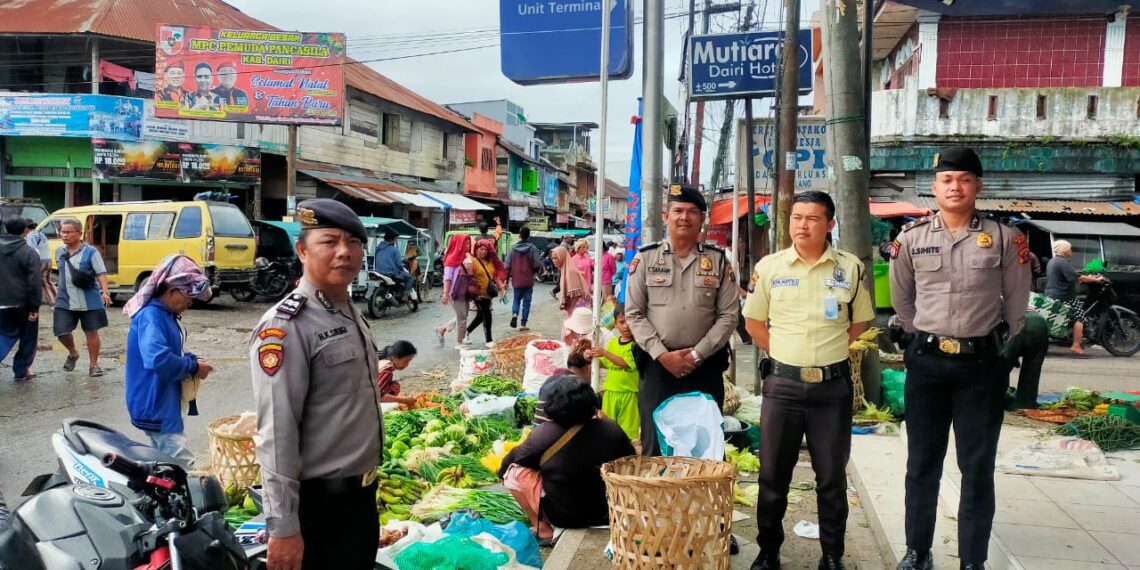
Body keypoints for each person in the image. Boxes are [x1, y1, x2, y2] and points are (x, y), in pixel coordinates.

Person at [889, 146, 1031, 570]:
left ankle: (973, 559)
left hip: (980, 366)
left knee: (977, 466)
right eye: (947, 180)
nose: (955, 187)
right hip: (927, 364)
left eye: (964, 179)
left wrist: (997, 347)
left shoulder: (1005, 237)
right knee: (922, 463)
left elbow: (1017, 303)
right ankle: (918, 550)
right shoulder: (910, 239)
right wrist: (920, 338)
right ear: (934, 188)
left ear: (977, 186)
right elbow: (902, 299)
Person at [742, 191, 875, 570]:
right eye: (797, 217)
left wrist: (826, 353)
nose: (802, 225)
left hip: (831, 389)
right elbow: (753, 324)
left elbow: (860, 322)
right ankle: (768, 552)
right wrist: (786, 354)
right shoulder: (770, 267)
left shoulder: (849, 268)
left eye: (812, 218)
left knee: (831, 478)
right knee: (772, 476)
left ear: (830, 224)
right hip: (782, 386)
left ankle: (832, 555)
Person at [249, 199, 382, 570]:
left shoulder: (349, 311)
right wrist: (284, 527)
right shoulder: (286, 326)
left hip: (360, 501)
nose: (345, 252)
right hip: (317, 511)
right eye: (330, 241)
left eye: (354, 243)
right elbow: (276, 432)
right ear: (302, 249)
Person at [625, 183, 738, 457]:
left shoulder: (719, 261)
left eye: (691, 211)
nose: (683, 217)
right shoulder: (645, 258)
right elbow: (634, 313)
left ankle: (700, 501)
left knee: (705, 449)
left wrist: (696, 355)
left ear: (702, 217)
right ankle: (657, 499)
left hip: (705, 367)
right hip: (657, 368)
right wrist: (663, 355)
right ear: (666, 216)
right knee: (655, 446)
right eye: (677, 210)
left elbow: (729, 315)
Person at [498, 375, 635, 544]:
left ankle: (543, 529)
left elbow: (514, 459)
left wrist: (501, 473)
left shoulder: (544, 433)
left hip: (564, 516)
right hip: (609, 511)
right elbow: (632, 459)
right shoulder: (611, 428)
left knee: (513, 471)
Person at [123, 254, 214, 466]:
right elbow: (158, 359)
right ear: (172, 291)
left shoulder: (165, 315)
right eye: (189, 297)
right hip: (156, 402)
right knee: (182, 465)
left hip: (164, 400)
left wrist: (192, 360)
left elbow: (168, 351)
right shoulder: (151, 316)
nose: (190, 303)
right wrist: (192, 367)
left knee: (162, 463)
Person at [54, 218, 112, 378]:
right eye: (62, 232)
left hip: (89, 299)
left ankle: (94, 365)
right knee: (61, 332)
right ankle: (73, 353)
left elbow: (101, 272)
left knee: (91, 332)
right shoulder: (60, 252)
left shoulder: (91, 252)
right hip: (64, 299)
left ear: (79, 233)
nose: (64, 235)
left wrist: (105, 291)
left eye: (68, 232)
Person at [1043, 240, 1107, 355]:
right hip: (1064, 295)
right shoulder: (1063, 262)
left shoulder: (1053, 261)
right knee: (1080, 317)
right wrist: (1096, 279)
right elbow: (1079, 278)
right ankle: (1076, 345)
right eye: (1070, 249)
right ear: (1065, 250)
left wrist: (1084, 274)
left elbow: (1073, 274)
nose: (1071, 251)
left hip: (1051, 293)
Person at [586, 304, 639, 440]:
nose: (626, 326)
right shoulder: (613, 343)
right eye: (622, 322)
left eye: (629, 321)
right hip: (610, 393)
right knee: (607, 427)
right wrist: (592, 358)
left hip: (628, 394)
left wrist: (604, 352)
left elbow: (625, 363)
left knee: (627, 432)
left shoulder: (636, 345)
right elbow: (607, 364)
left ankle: (626, 456)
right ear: (615, 323)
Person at [0, 218, 43, 381]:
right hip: (22, 303)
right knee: (28, 337)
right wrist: (34, 307)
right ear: (26, 230)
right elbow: (34, 281)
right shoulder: (29, 252)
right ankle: (21, 370)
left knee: (4, 333)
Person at [1001, 312, 1049, 409]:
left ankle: (999, 398)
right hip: (1039, 323)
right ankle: (1025, 404)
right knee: (1032, 370)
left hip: (1018, 324)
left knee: (1001, 368)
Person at [466, 239, 504, 347]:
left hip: (488, 294)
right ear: (476, 250)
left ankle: (466, 332)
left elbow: (495, 276)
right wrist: (472, 292)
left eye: (485, 250)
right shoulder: (472, 261)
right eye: (481, 249)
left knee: (480, 316)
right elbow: (469, 278)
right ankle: (489, 340)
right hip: (478, 294)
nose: (483, 251)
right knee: (487, 315)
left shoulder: (490, 262)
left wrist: (501, 288)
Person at [438, 233, 472, 347]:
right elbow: (447, 278)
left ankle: (443, 329)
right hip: (456, 293)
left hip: (466, 292)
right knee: (462, 317)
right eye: (465, 243)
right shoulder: (451, 259)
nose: (468, 245)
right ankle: (459, 341)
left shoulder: (467, 257)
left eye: (468, 243)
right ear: (458, 244)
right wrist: (445, 294)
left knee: (463, 315)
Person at [506, 226, 541, 331]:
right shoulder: (533, 248)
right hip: (528, 280)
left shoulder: (512, 249)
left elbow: (507, 265)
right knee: (527, 302)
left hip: (516, 280)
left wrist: (508, 276)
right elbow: (537, 264)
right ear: (529, 236)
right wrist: (533, 273)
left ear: (519, 235)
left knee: (516, 299)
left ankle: (514, 315)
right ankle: (523, 324)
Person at [551, 246, 591, 338]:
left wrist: (569, 310)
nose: (554, 260)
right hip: (573, 310)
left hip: (576, 310)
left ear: (562, 257)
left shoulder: (570, 272)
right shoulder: (565, 270)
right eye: (552, 258)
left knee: (573, 337)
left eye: (556, 258)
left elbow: (575, 295)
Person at [374, 229, 414, 299]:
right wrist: (403, 268)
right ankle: (405, 295)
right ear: (391, 239)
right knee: (410, 278)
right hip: (390, 273)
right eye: (395, 239)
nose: (395, 241)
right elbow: (399, 264)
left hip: (378, 272)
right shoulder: (394, 249)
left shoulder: (378, 248)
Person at [377, 341, 417, 407]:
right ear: (395, 357)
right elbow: (377, 396)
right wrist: (404, 400)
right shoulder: (386, 371)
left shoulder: (380, 359)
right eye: (406, 361)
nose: (407, 365)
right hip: (362, 397)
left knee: (393, 384)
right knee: (395, 387)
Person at [25, 219, 54, 305]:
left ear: (26, 228)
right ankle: (59, 300)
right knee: (49, 281)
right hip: (48, 260)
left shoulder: (30, 236)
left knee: (43, 283)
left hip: (41, 262)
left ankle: (53, 302)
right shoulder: (41, 234)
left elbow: (34, 249)